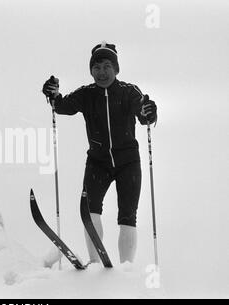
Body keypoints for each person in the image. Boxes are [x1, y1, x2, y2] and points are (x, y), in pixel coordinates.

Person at [42, 41, 157, 264]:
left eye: (106, 66)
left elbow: (143, 114)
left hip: (128, 163)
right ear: (91, 70)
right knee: (89, 208)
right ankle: (95, 262)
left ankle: (126, 268)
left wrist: (149, 112)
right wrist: (53, 95)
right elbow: (63, 106)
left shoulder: (129, 92)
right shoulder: (87, 94)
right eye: (96, 67)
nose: (101, 72)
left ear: (116, 69)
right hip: (98, 162)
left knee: (127, 215)